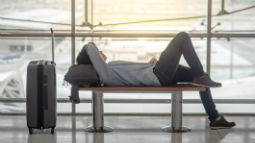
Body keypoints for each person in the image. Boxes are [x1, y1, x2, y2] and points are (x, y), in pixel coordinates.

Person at [84, 32, 236, 129]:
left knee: (200, 76)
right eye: (99, 53)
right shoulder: (105, 74)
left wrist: (148, 65)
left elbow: (134, 73)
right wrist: (92, 51)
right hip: (158, 75)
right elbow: (89, 47)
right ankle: (202, 78)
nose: (101, 52)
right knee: (182, 37)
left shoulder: (109, 68)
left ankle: (215, 118)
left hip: (156, 71)